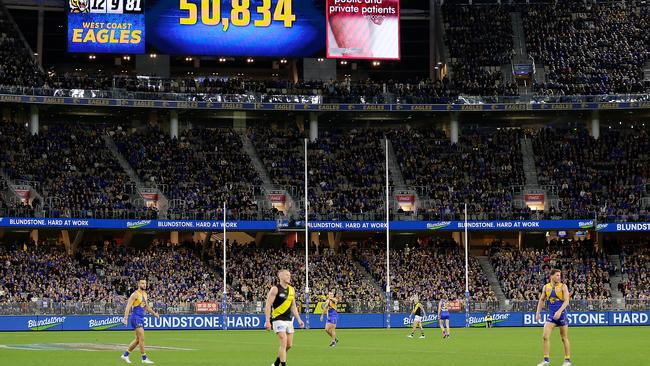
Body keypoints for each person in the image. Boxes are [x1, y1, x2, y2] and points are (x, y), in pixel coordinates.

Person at [265, 269, 305, 366]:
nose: (289, 276)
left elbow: (293, 306)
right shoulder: (275, 289)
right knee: (283, 340)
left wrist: (299, 319)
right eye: (287, 275)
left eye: (289, 275)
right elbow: (268, 305)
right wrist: (267, 321)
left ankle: (276, 363)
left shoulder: (292, 289)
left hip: (288, 320)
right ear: (280, 276)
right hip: (278, 319)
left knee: (289, 345)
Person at [536, 269, 572, 366]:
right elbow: (541, 300)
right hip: (552, 316)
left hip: (562, 315)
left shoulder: (563, 287)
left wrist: (559, 311)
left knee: (564, 338)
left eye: (559, 275)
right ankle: (546, 360)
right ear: (551, 276)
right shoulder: (546, 287)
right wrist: (537, 313)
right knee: (545, 336)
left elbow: (566, 301)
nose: (559, 277)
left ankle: (567, 360)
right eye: (557, 275)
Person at [121, 279, 160, 364]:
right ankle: (144, 358)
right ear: (139, 284)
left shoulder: (145, 294)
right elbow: (128, 307)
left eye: (145, 283)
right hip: (135, 318)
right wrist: (125, 318)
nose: (144, 285)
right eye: (142, 283)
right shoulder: (135, 295)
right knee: (142, 338)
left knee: (138, 340)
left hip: (141, 318)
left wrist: (154, 314)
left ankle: (125, 355)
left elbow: (146, 307)